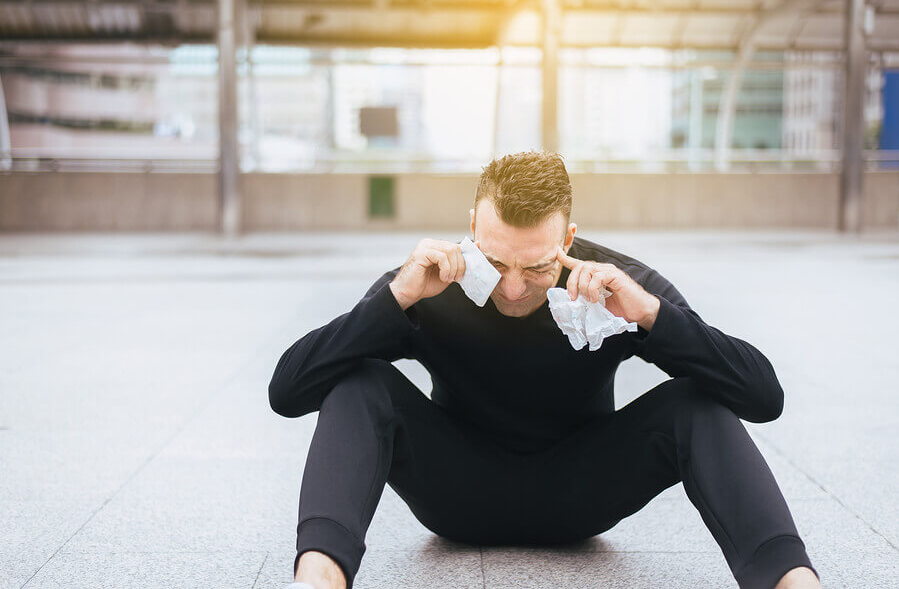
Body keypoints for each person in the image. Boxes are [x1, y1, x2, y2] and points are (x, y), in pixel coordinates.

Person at [268, 151, 822, 589]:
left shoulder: (617, 285)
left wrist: (651, 315)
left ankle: (792, 582)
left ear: (568, 239)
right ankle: (317, 581)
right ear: (471, 227)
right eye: (496, 261)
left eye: (535, 266)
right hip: (456, 494)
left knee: (697, 402)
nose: (512, 287)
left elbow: (762, 396)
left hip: (580, 495)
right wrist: (396, 299)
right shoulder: (428, 282)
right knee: (360, 381)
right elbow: (288, 390)